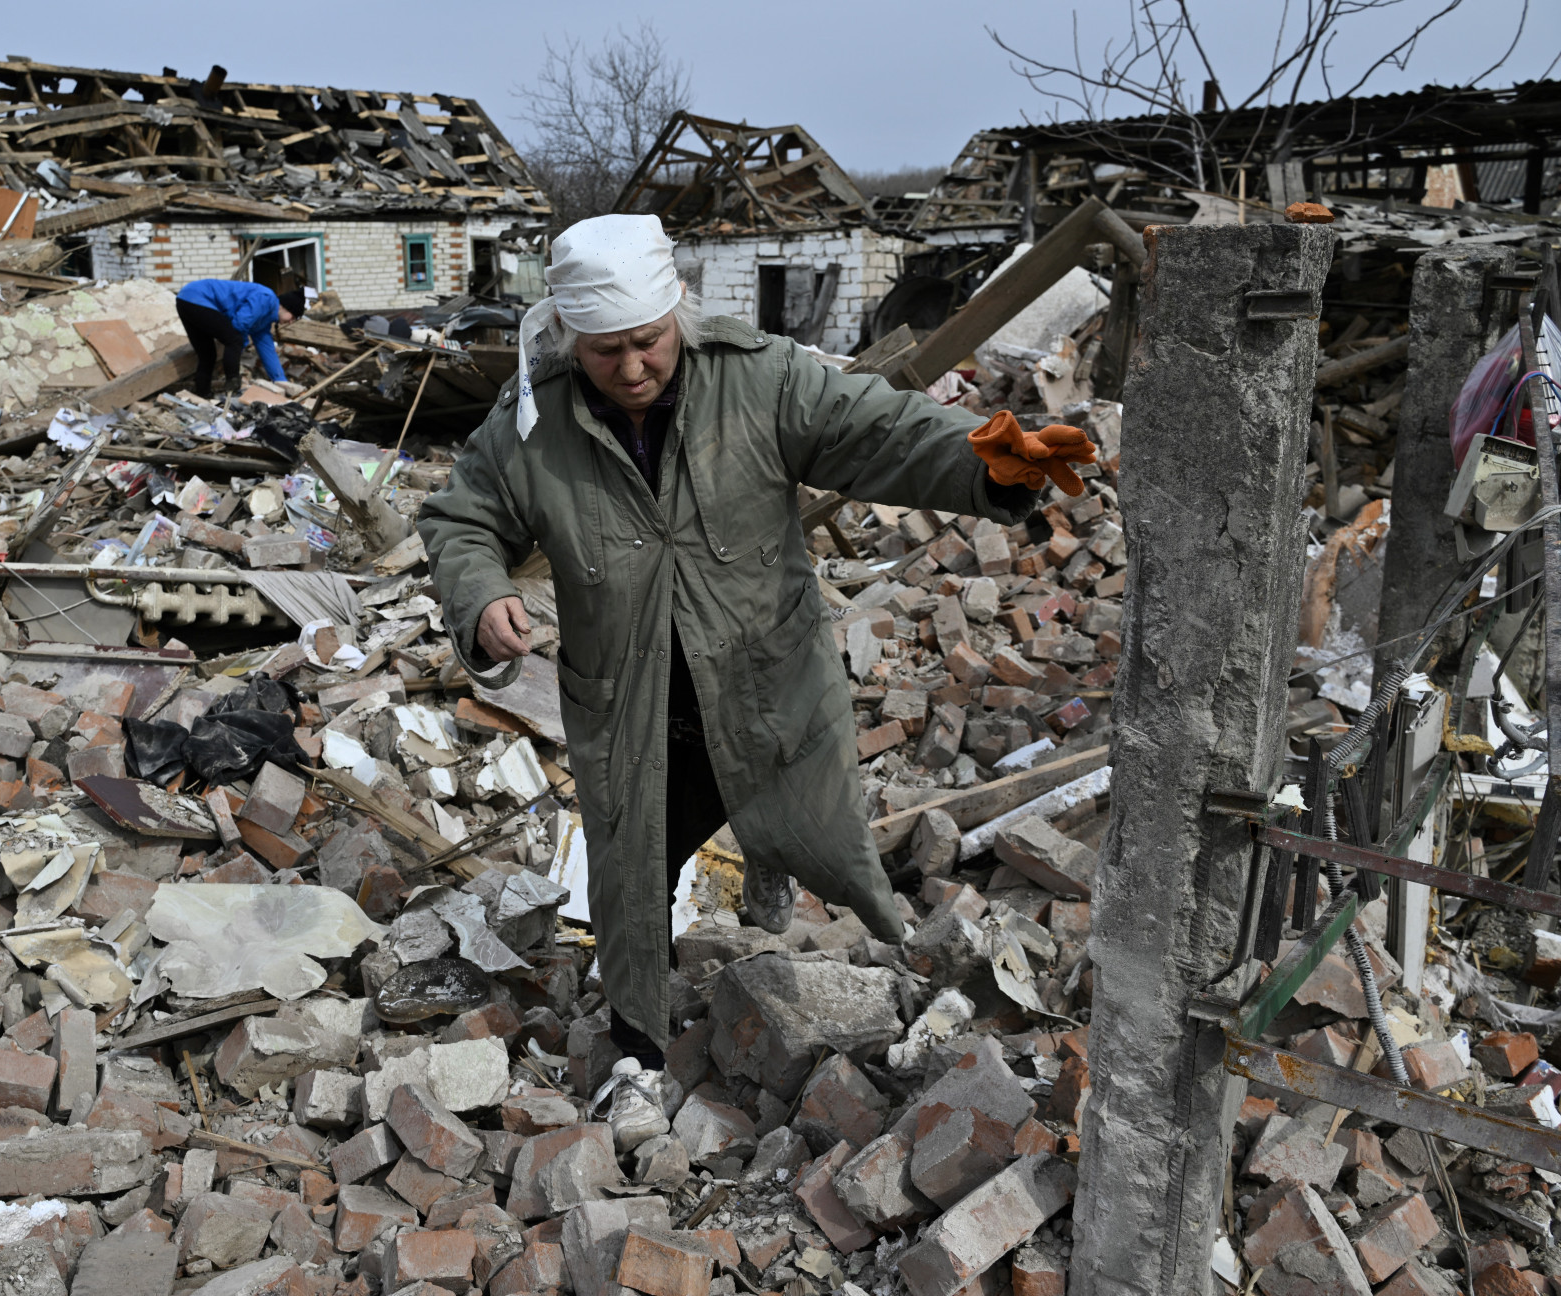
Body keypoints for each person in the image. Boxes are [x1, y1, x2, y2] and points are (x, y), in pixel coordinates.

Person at [416, 214, 1095, 1147]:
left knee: (817, 833)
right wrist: (483, 594)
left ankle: (841, 922)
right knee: (632, 868)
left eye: (648, 343)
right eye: (607, 351)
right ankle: (636, 1051)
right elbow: (461, 519)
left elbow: (879, 429)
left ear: (678, 314)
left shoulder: (762, 376)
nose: (633, 368)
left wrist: (986, 464)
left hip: (765, 684)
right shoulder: (532, 420)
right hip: (633, 700)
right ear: (572, 339)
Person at [173, 279, 306, 399]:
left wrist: (281, 381)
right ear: (284, 306)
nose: (290, 322)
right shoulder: (266, 298)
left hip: (184, 299)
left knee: (207, 354)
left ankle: (203, 395)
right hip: (199, 297)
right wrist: (241, 345)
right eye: (293, 317)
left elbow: (268, 351)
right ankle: (232, 385)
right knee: (235, 339)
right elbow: (239, 324)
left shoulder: (264, 322)